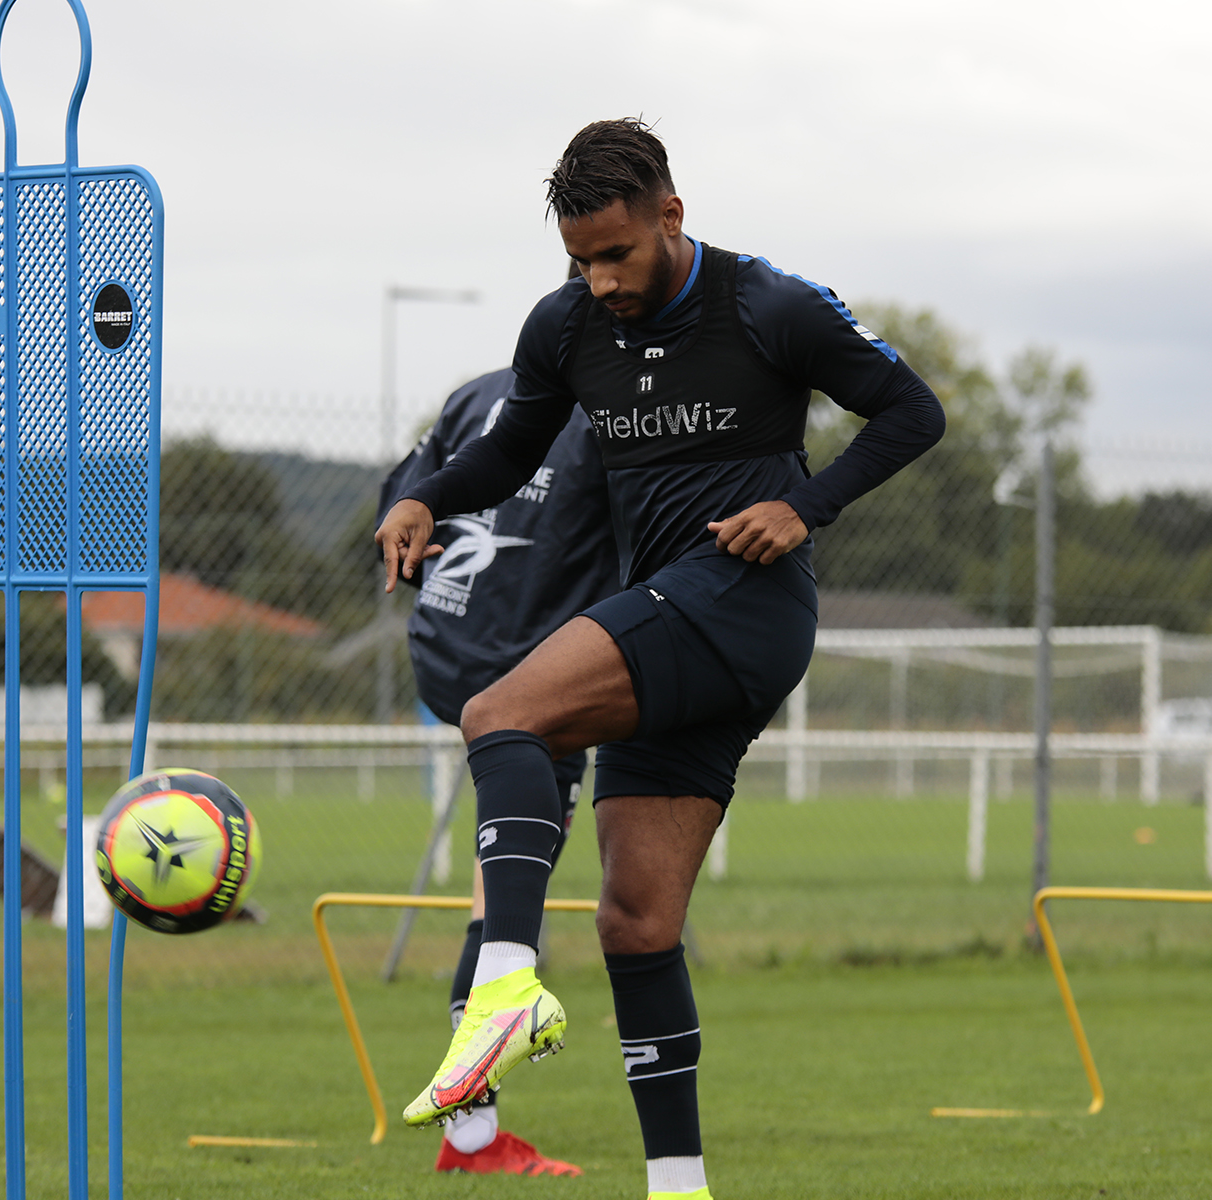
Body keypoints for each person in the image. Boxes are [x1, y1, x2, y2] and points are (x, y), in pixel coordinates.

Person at [375, 118, 946, 1200]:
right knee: (636, 920)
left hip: (745, 607)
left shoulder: (768, 305)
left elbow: (912, 410)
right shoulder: (566, 325)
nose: (598, 281)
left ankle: (503, 988)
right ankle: (678, 1186)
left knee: (501, 713)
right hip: (666, 622)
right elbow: (508, 450)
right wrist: (423, 495)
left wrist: (804, 505)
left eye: (615, 255)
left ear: (670, 216)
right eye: (578, 259)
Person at [377, 354, 618, 1176]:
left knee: (502, 888)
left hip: (446, 648)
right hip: (531, 672)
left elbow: (396, 514)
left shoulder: (477, 391)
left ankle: (470, 1129)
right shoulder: (619, 407)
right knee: (510, 894)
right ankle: (471, 1136)